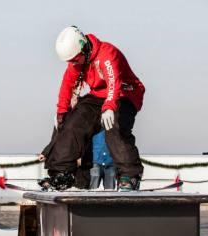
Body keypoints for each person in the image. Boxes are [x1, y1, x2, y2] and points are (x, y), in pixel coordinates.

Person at [43, 26, 145, 191]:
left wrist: (110, 106)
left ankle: (129, 175)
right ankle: (62, 173)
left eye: (75, 60)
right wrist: (62, 113)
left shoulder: (106, 54)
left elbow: (114, 83)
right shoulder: (77, 61)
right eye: (71, 61)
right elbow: (67, 85)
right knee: (73, 123)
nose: (73, 64)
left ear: (84, 48)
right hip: (98, 95)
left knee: (114, 127)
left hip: (125, 93)